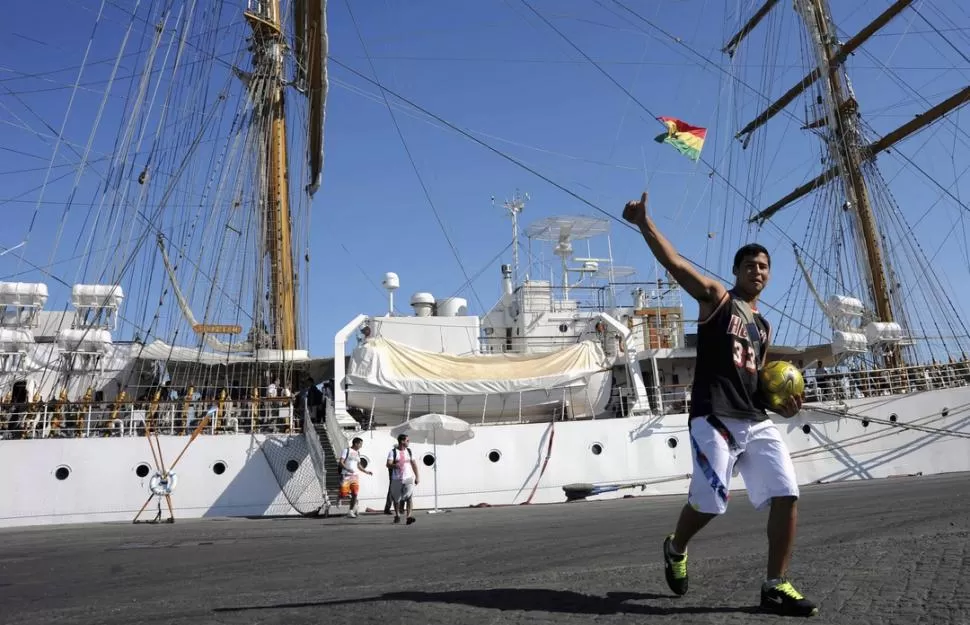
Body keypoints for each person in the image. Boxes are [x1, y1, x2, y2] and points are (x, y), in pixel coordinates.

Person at [623, 192, 817, 617]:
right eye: (750, 266)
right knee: (712, 501)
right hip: (714, 416)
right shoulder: (716, 299)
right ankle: (676, 548)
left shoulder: (763, 326)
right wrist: (644, 223)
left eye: (764, 267)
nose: (757, 271)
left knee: (787, 494)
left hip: (755, 419)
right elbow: (675, 265)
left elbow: (759, 382)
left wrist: (781, 405)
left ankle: (775, 585)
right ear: (736, 271)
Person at [386, 433, 419, 525]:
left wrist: (417, 476)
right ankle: (397, 515)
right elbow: (388, 464)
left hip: (408, 478)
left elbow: (414, 464)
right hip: (396, 479)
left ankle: (408, 517)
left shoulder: (409, 451)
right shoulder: (393, 452)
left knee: (409, 497)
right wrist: (394, 465)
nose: (409, 442)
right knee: (396, 499)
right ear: (402, 441)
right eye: (407, 440)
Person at [337, 437, 372, 518]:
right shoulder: (347, 450)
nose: (361, 446)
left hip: (355, 476)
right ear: (356, 443)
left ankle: (350, 511)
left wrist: (366, 471)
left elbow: (359, 465)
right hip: (346, 475)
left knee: (355, 494)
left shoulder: (358, 453)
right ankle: (339, 497)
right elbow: (341, 462)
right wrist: (347, 468)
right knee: (344, 493)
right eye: (360, 444)